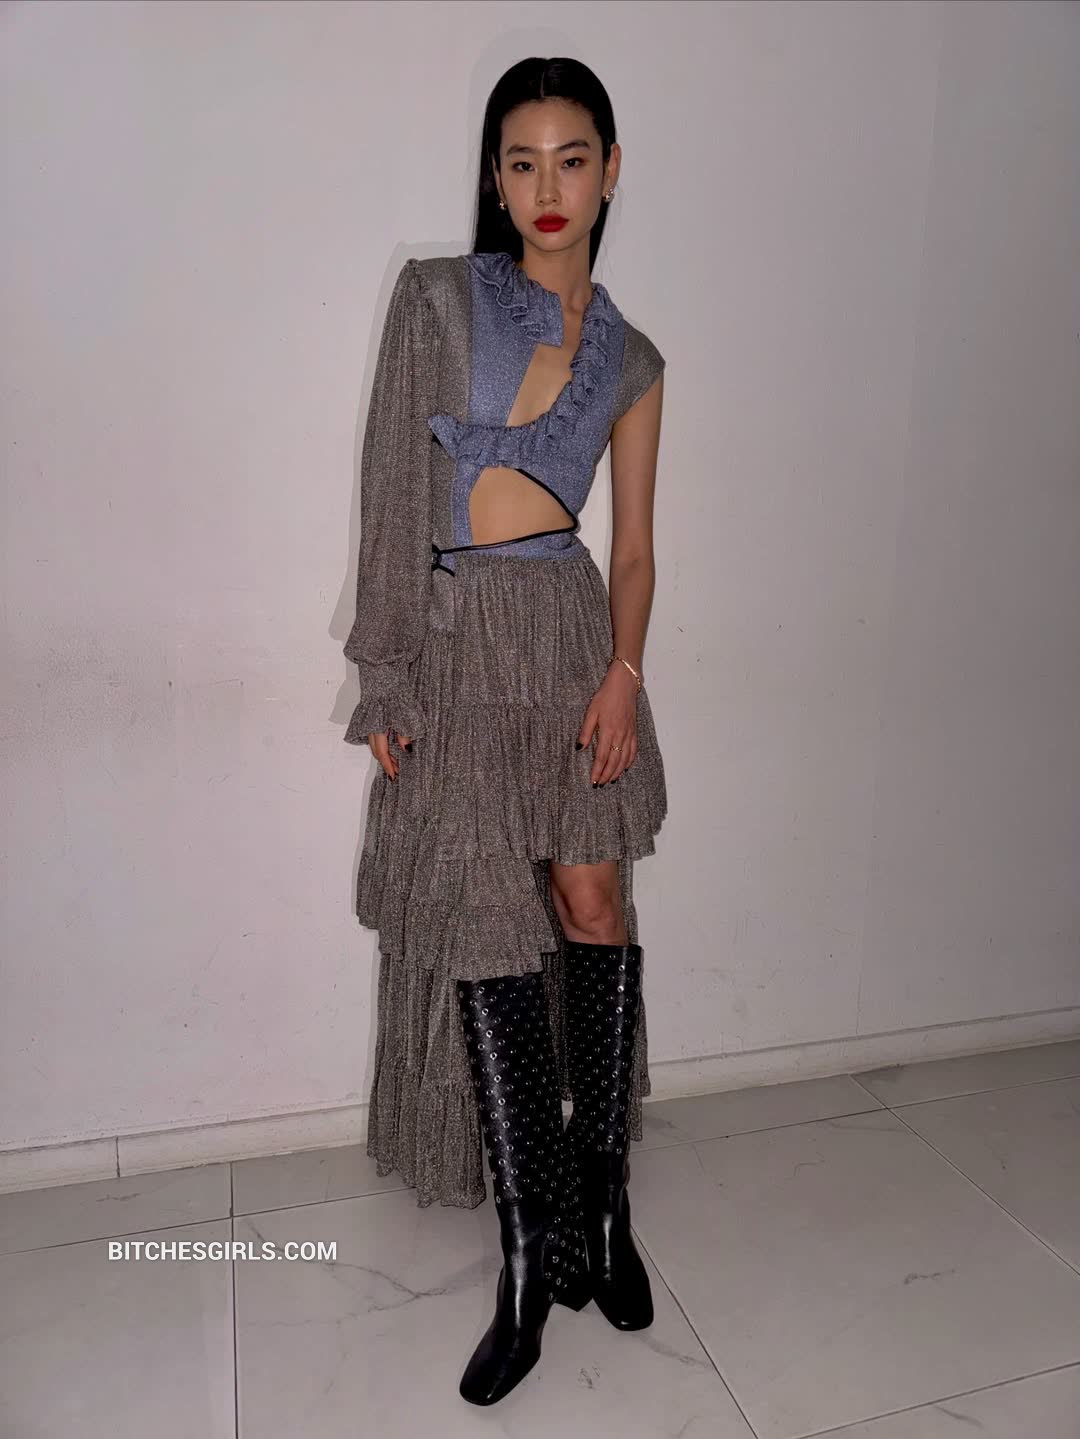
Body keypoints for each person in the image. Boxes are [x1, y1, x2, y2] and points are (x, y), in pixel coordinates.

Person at [342, 56, 668, 1406]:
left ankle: (605, 1210)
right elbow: (389, 487)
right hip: (459, 641)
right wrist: (388, 674)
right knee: (485, 926)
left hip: (574, 638)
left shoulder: (634, 358)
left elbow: (634, 549)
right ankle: (531, 1256)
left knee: (593, 903)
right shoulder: (436, 299)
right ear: (495, 175)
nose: (547, 186)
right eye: (522, 161)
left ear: (609, 171)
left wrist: (625, 673)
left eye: (572, 158)